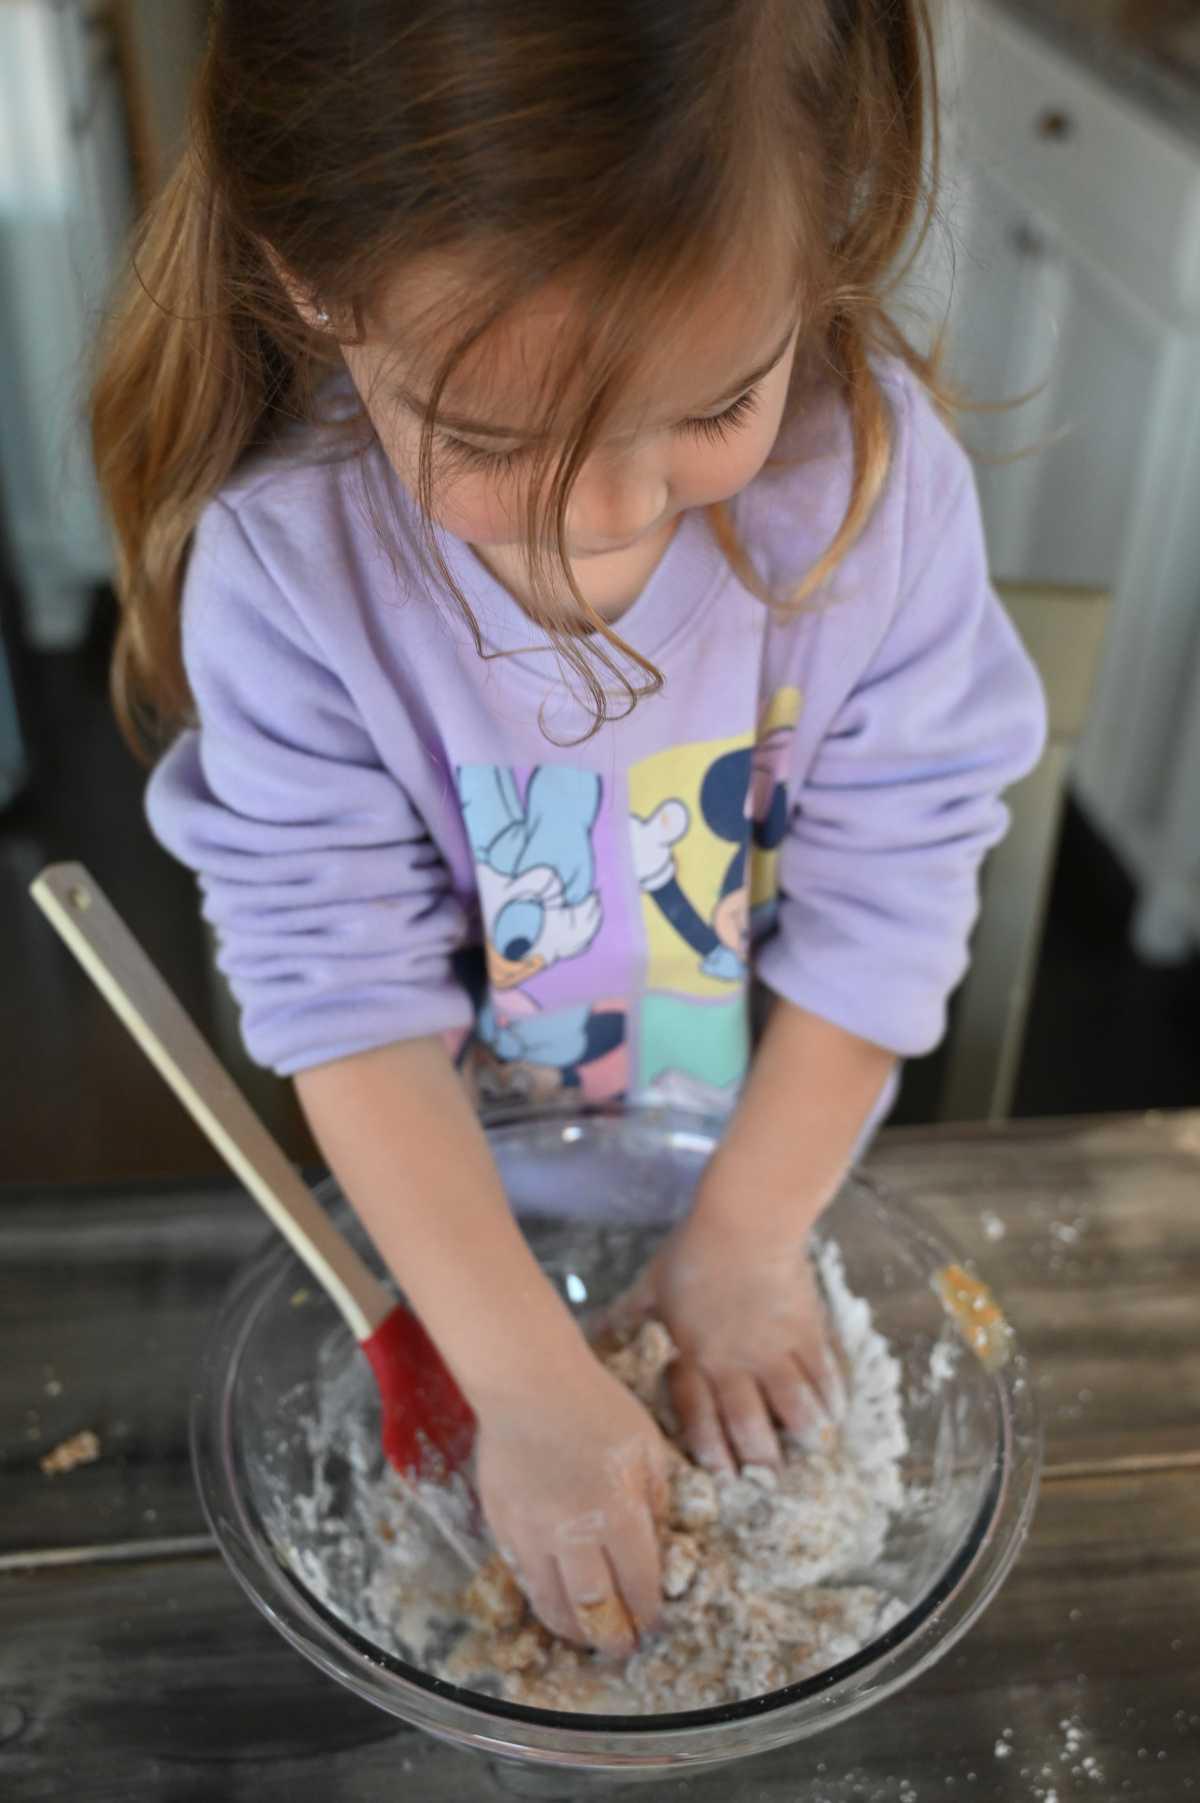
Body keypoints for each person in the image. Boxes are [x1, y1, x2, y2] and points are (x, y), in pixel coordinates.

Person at [91, 0, 1046, 1661]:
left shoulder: (873, 496)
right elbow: (345, 986)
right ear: (318, 287)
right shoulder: (293, 572)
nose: (612, 513)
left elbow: (897, 883)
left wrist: (749, 1234)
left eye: (713, 406)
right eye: (488, 439)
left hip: (765, 1159)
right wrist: (523, 1376)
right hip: (441, 1214)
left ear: (822, 242)